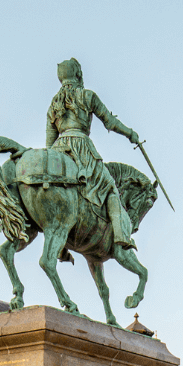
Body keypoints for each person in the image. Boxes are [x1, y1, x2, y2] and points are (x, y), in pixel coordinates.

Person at [44, 57, 141, 250]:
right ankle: (121, 236)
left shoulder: (54, 104)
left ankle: (61, 246)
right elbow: (110, 122)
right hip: (82, 149)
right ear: (78, 74)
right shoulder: (87, 96)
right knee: (110, 187)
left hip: (58, 150)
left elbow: (49, 142)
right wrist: (130, 133)